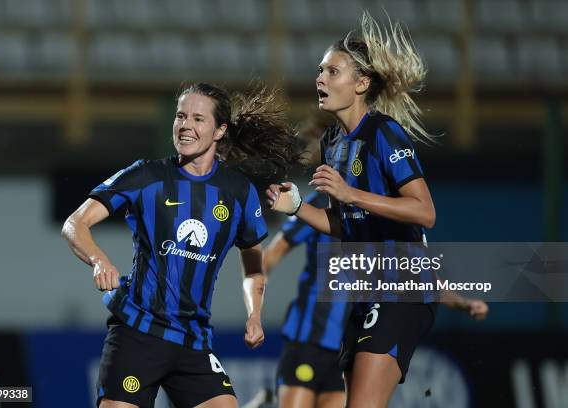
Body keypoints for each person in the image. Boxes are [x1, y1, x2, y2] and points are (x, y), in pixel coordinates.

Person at [62, 82, 299, 408]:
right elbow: (75, 223)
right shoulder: (147, 177)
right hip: (137, 334)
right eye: (180, 116)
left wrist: (255, 313)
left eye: (198, 119)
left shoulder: (238, 192)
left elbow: (252, 259)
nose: (185, 125)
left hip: (193, 341)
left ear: (219, 130)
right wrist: (99, 260)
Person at [265, 12, 453, 408]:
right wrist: (296, 206)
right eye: (319, 70)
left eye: (333, 71)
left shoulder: (385, 133)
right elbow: (342, 224)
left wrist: (352, 195)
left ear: (362, 83)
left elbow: (424, 212)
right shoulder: (332, 141)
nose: (320, 78)